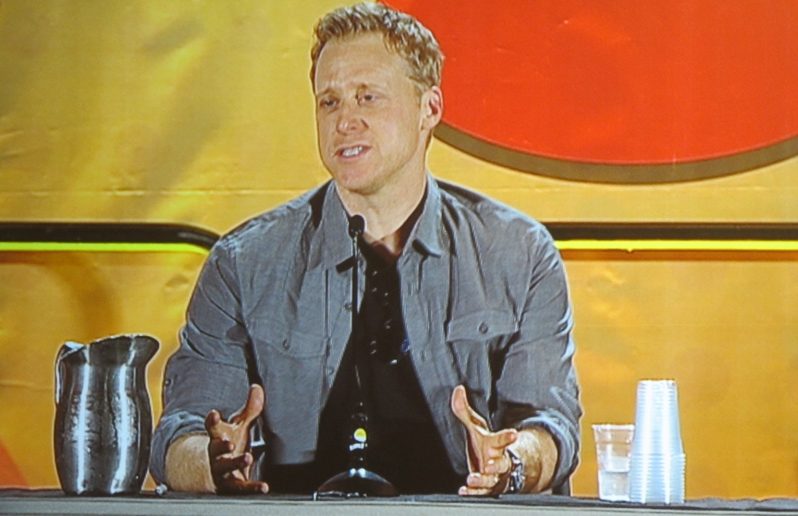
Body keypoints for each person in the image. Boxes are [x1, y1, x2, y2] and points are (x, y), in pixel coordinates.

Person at [150, 2, 580, 496]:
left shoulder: (519, 254)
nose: (344, 121)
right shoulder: (244, 264)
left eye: (367, 97)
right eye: (329, 102)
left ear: (429, 108)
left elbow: (551, 427)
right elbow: (178, 436)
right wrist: (211, 465)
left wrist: (512, 464)